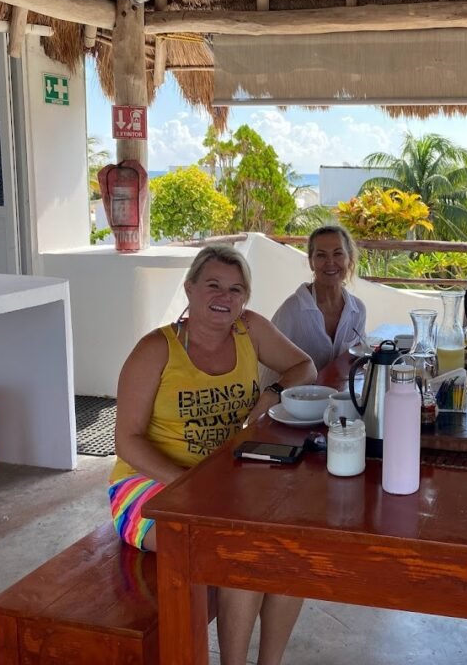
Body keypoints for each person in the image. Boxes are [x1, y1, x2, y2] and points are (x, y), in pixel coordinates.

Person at [109, 244, 317, 665]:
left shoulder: (249, 330)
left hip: (221, 480)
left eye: (237, 289)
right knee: (237, 551)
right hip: (148, 486)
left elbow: (304, 367)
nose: (225, 297)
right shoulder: (156, 350)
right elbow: (126, 441)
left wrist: (272, 392)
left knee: (293, 545)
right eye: (214, 285)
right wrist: (188, 483)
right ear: (189, 288)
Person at [271, 224, 366, 371]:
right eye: (321, 255)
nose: (330, 262)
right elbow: (270, 365)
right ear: (311, 262)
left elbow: (357, 362)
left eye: (338, 254)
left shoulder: (358, 310)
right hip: (291, 393)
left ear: (349, 259)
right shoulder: (292, 310)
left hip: (337, 393)